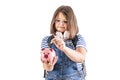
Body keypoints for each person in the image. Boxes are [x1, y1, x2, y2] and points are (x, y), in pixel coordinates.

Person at [41, 5, 87, 80]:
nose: (61, 24)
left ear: (71, 23)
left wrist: (64, 48)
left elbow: (81, 58)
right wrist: (49, 66)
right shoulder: (47, 40)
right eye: (58, 20)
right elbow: (47, 67)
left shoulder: (78, 39)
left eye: (65, 21)